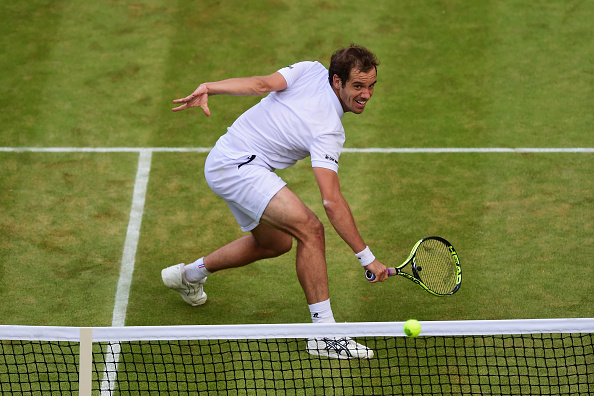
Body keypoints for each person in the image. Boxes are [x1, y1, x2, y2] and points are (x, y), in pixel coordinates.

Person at [162, 44, 388, 359]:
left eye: (371, 86)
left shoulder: (310, 69)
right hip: (239, 167)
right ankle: (323, 335)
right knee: (311, 229)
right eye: (358, 86)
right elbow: (332, 200)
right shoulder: (329, 132)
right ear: (337, 81)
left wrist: (209, 87)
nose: (366, 95)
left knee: (276, 243)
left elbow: (261, 85)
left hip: (225, 157)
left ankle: (188, 275)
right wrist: (367, 258)